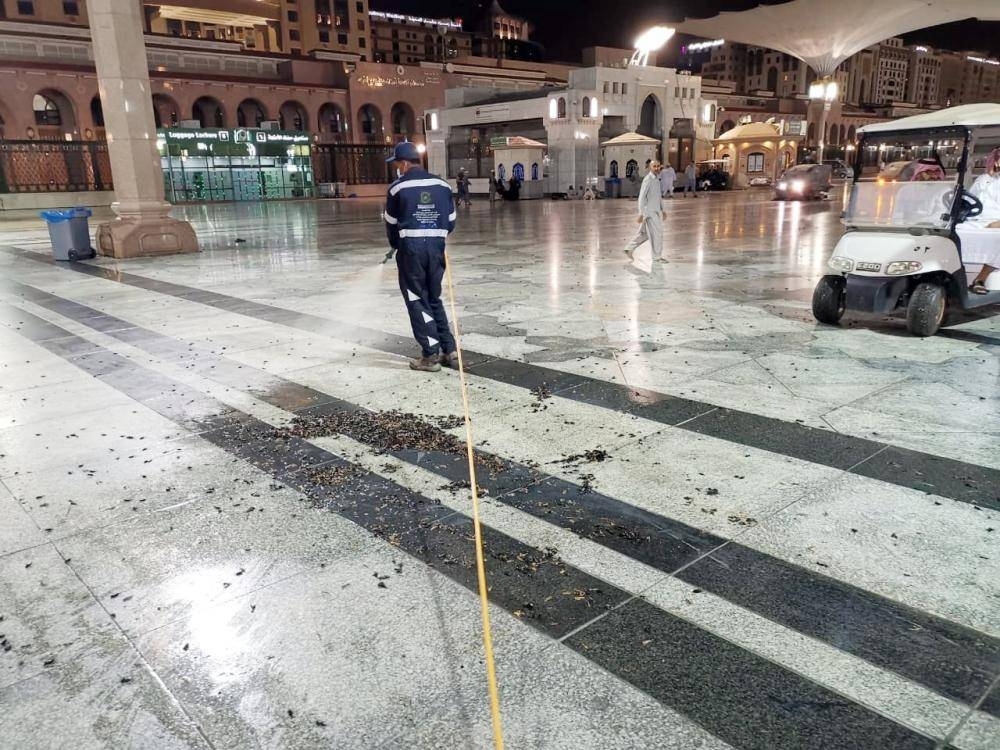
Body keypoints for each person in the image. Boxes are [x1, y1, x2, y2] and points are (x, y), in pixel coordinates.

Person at [383, 141, 458, 372]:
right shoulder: (442, 185)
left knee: (417, 299)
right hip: (436, 249)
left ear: (404, 163)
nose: (397, 168)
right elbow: (452, 221)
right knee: (433, 297)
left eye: (397, 163)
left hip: (411, 250)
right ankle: (449, 349)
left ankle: (430, 355)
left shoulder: (397, 188)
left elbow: (391, 224)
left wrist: (398, 246)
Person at [958, 147, 1000, 294]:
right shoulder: (983, 180)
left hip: (997, 222)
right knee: (952, 233)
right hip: (976, 219)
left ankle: (980, 278)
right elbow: (969, 200)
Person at [624, 160, 667, 262]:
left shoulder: (656, 179)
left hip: (655, 211)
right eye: (654, 167)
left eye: (658, 166)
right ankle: (657, 257)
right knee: (658, 234)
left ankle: (629, 248)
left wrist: (663, 210)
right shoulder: (648, 179)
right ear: (650, 168)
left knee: (644, 234)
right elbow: (641, 197)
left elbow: (658, 196)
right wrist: (641, 213)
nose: (656, 168)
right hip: (649, 212)